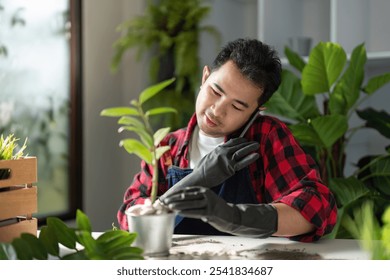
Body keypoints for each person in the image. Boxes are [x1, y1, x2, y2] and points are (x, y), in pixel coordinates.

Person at [118, 38, 337, 242]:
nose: (217, 110)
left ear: (257, 110)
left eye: (237, 106)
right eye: (215, 91)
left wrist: (233, 216)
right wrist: (197, 180)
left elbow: (317, 207)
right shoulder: (167, 148)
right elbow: (129, 219)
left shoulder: (266, 137)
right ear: (205, 77)